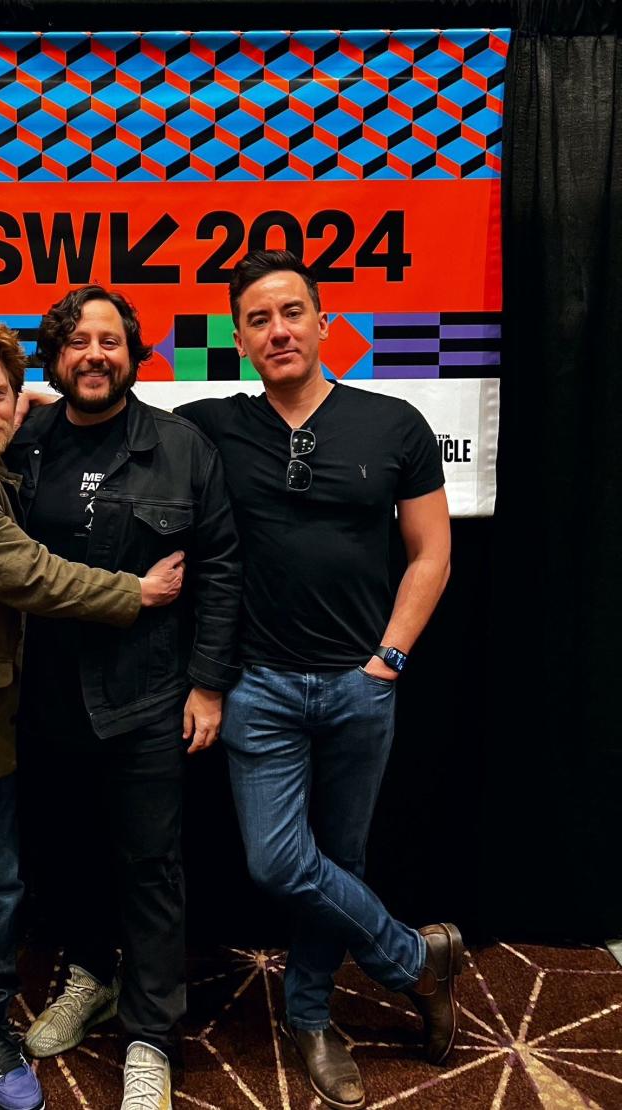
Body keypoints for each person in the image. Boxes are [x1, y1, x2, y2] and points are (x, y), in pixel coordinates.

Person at [0, 288, 241, 1110]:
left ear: (133, 353)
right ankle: (89, 978)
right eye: (77, 342)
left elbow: (221, 571)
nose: (94, 354)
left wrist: (208, 685)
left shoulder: (183, 447)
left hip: (146, 698)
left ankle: (149, 1037)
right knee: (64, 856)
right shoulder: (23, 434)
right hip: (36, 696)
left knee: (151, 867)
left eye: (110, 340)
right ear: (57, 360)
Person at [173, 249, 459, 1110]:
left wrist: (388, 662)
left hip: (359, 687)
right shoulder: (212, 425)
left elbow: (431, 554)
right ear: (239, 338)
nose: (279, 330)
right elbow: (98, 428)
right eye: (258, 319)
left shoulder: (395, 422)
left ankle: (309, 1017)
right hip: (257, 686)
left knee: (341, 858)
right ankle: (416, 959)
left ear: (325, 321)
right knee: (279, 862)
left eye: (292, 312)